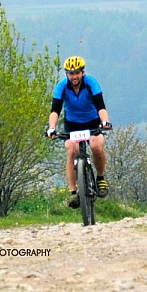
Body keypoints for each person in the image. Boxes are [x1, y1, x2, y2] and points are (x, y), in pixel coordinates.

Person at [46, 56, 112, 208]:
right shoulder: (61, 87)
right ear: (67, 74)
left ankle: (100, 178)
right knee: (71, 149)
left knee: (96, 146)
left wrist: (105, 122)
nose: (74, 76)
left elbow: (101, 106)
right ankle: (74, 192)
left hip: (92, 121)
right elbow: (55, 110)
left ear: (83, 73)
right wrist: (52, 128)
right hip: (72, 124)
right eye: (71, 73)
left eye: (77, 73)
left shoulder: (91, 83)